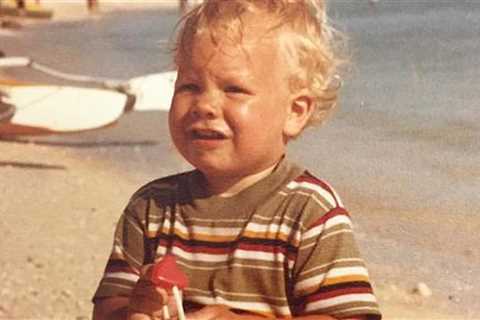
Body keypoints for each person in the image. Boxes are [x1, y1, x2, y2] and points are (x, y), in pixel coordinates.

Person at [92, 0, 382, 319]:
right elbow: (108, 307)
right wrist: (135, 310)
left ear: (295, 112)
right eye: (190, 86)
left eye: (234, 89)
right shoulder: (151, 208)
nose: (205, 105)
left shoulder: (309, 211)